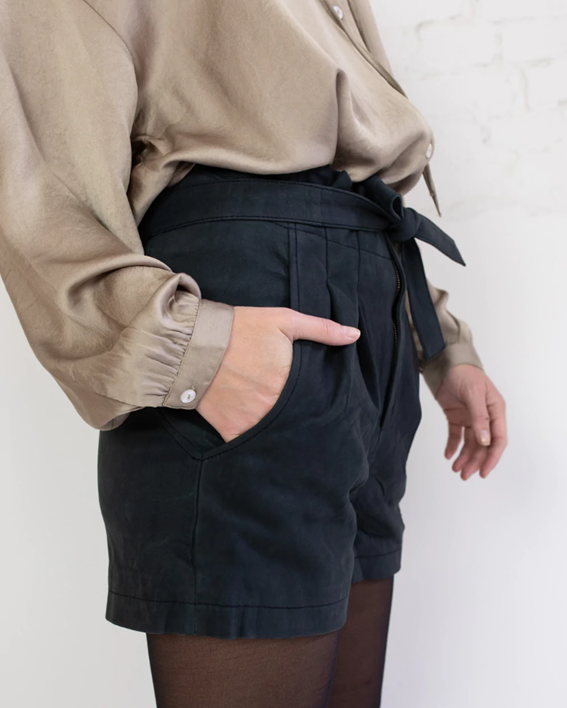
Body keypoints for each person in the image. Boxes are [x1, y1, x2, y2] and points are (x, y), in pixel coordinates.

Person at [0, 1, 507, 706]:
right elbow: (39, 185)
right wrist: (194, 352)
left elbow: (353, 174)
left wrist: (439, 345)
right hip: (243, 301)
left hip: (371, 318)